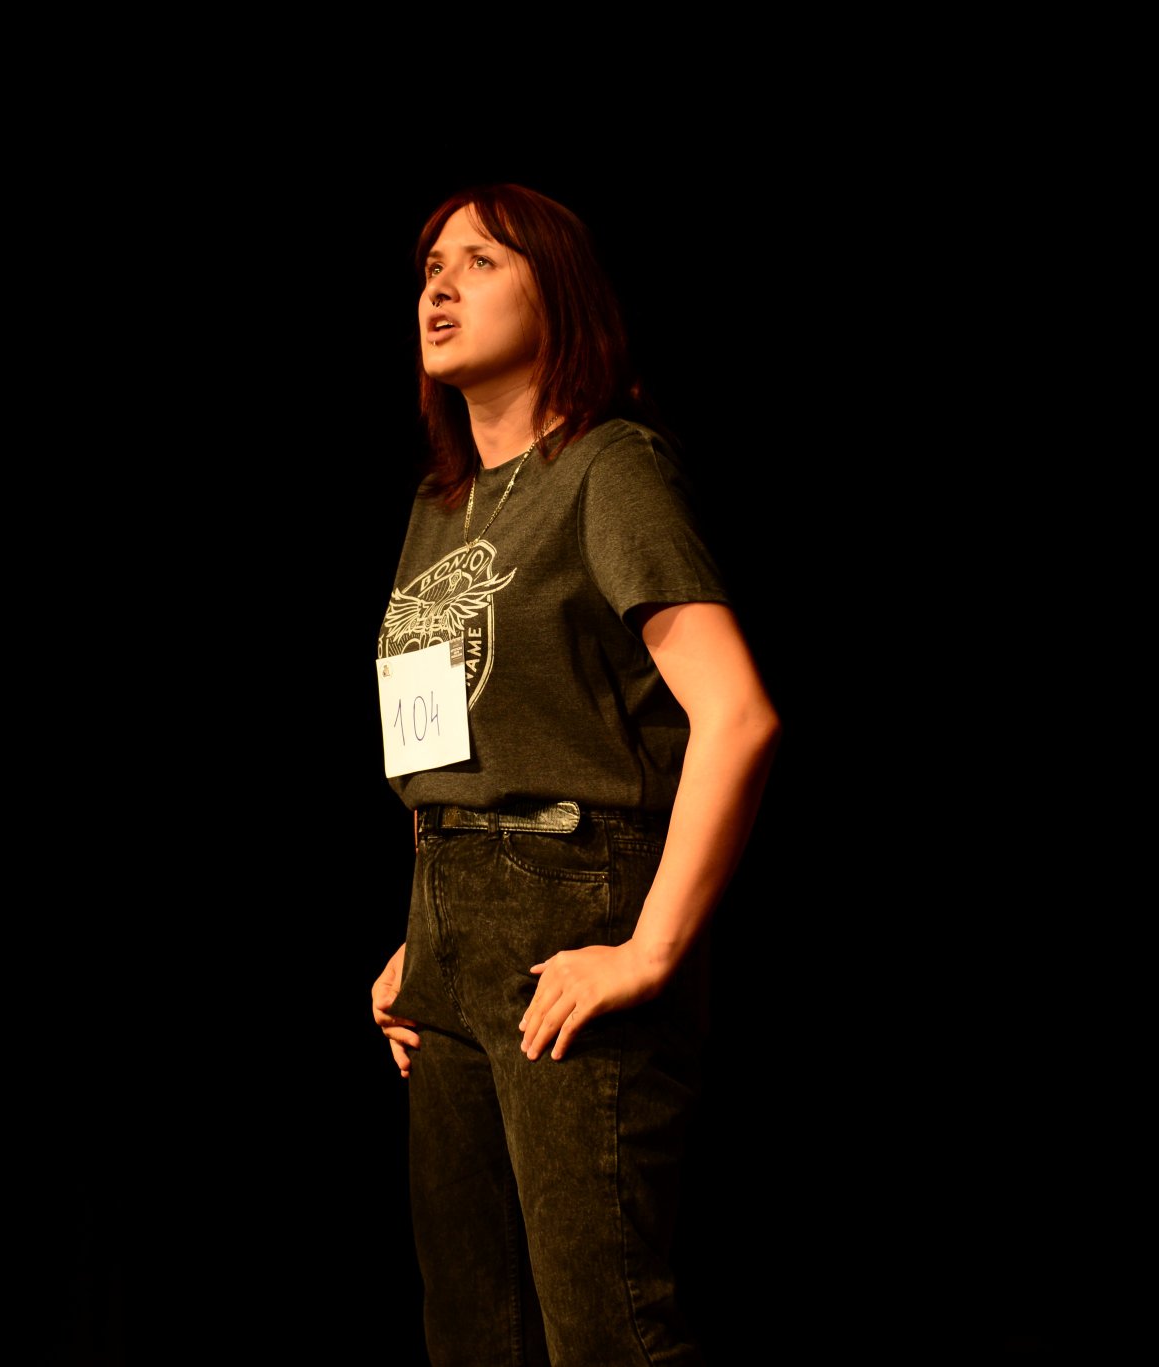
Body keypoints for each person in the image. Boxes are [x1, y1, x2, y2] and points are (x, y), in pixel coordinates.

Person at [368, 182, 781, 1367]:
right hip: (450, 936)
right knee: (471, 1332)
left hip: (570, 907)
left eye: (480, 261)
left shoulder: (608, 467)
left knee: (604, 1328)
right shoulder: (439, 510)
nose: (439, 286)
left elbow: (736, 714)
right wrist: (422, 934)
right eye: (430, 265)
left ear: (558, 292)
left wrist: (647, 950)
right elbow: (448, 739)